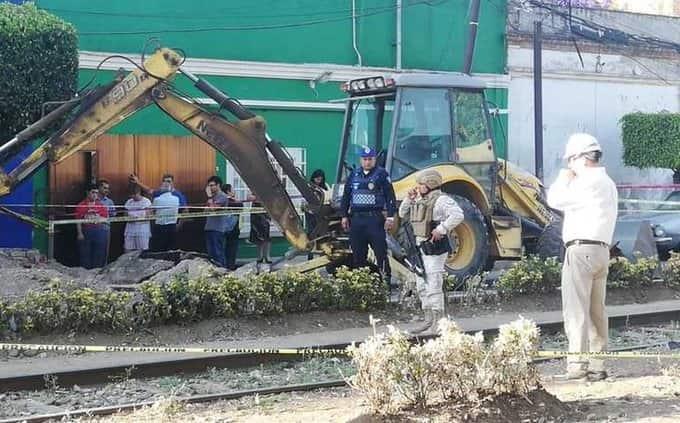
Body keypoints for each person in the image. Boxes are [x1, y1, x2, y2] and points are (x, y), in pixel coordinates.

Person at [547, 133, 618, 382]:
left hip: (580, 249)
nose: (569, 165)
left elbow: (554, 199)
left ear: (580, 157)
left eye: (571, 160)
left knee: (576, 309)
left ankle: (577, 364)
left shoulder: (585, 181)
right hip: (602, 250)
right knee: (597, 310)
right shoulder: (607, 182)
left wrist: (563, 177)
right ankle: (598, 364)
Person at [398, 169, 464, 334]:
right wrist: (409, 199)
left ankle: (439, 322)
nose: (418, 187)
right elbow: (401, 213)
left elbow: (458, 215)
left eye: (421, 184)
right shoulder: (419, 199)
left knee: (434, 283)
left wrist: (441, 229)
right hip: (419, 247)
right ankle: (428, 319)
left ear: (430, 184)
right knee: (421, 284)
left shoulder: (442, 200)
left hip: (434, 247)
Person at [339, 146, 397, 281]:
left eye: (370, 159)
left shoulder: (381, 174)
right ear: (361, 160)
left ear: (374, 159)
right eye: (365, 159)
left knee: (380, 252)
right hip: (357, 220)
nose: (367, 162)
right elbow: (346, 196)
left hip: (374, 220)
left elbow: (390, 197)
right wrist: (344, 216)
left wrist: (390, 216)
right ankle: (362, 284)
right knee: (358, 254)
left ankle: (385, 281)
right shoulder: (354, 174)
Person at [75, 183, 109, 269]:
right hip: (86, 231)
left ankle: (97, 272)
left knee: (99, 253)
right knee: (85, 253)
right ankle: (85, 272)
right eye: (93, 192)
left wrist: (99, 217)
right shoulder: (81, 205)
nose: (95, 195)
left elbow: (106, 219)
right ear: (87, 193)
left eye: (96, 193)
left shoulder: (101, 205)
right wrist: (80, 233)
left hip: (99, 231)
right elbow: (77, 221)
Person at [204, 176, 229, 267]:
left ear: (218, 185)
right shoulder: (212, 198)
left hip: (218, 229)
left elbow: (213, 208)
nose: (210, 188)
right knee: (211, 254)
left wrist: (210, 198)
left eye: (212, 185)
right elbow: (206, 211)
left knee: (218, 253)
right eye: (209, 186)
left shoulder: (222, 196)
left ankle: (222, 271)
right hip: (209, 227)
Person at [305, 169, 329, 260]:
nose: (319, 179)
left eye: (321, 177)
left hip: (323, 213)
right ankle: (310, 256)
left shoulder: (325, 186)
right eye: (317, 177)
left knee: (323, 234)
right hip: (311, 214)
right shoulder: (309, 187)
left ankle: (323, 255)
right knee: (311, 233)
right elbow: (304, 202)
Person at [151, 180, 180, 251]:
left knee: (160, 249)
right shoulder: (176, 199)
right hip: (172, 227)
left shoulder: (157, 200)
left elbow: (152, 211)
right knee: (171, 249)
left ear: (161, 189)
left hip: (160, 227)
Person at [123, 185, 152, 253]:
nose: (133, 196)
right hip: (130, 230)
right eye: (131, 194)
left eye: (134, 194)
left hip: (142, 231)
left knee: (141, 252)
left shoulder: (146, 202)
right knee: (127, 251)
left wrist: (136, 217)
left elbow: (149, 215)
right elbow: (125, 215)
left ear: (139, 193)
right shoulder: (129, 202)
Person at [248, 192, 271, 267]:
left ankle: (267, 256)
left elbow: (269, 198)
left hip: (265, 210)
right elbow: (250, 197)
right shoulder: (254, 187)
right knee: (256, 234)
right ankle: (259, 256)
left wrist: (258, 198)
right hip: (255, 212)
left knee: (266, 234)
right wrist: (256, 198)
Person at [222, 183, 242, 270]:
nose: (234, 191)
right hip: (233, 231)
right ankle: (230, 267)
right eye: (232, 190)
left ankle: (225, 266)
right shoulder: (233, 202)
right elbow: (240, 206)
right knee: (231, 250)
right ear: (228, 191)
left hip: (223, 230)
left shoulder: (221, 201)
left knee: (224, 250)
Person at [97, 179, 116, 265]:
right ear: (99, 188)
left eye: (107, 188)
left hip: (105, 229)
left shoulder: (109, 202)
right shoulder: (93, 200)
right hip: (93, 229)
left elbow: (113, 215)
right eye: (104, 188)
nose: (107, 190)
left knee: (104, 251)